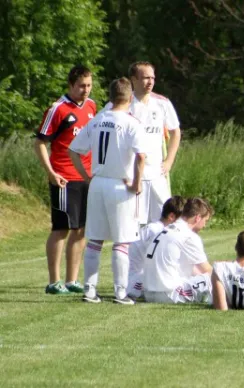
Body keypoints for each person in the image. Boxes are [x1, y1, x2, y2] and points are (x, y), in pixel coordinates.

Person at [68, 77, 147, 305]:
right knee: (122, 241)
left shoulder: (98, 119)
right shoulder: (131, 123)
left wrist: (86, 177)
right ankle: (121, 292)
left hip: (98, 183)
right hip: (119, 185)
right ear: (130, 97)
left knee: (95, 239)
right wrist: (137, 183)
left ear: (110, 98)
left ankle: (90, 290)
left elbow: (74, 150)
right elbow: (141, 156)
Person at [34, 65, 96, 295]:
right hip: (63, 178)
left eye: (89, 85)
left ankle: (72, 280)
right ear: (70, 85)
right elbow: (40, 142)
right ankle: (54, 281)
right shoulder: (57, 109)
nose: (86, 90)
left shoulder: (91, 107)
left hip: (85, 177)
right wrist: (51, 172)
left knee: (80, 229)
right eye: (81, 85)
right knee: (61, 228)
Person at [105, 61, 181, 225]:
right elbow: (103, 126)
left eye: (152, 77)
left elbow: (175, 132)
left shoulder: (162, 103)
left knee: (164, 221)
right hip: (130, 174)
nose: (150, 82)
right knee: (133, 224)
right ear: (134, 79)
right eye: (145, 77)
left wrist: (169, 161)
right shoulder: (121, 103)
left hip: (156, 174)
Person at [143, 197, 214, 304]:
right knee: (213, 278)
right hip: (169, 294)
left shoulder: (164, 230)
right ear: (198, 218)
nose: (204, 225)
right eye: (205, 221)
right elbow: (207, 270)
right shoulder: (189, 236)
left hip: (148, 294)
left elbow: (193, 268)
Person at [127, 195, 185, 299]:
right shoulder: (158, 231)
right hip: (135, 283)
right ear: (171, 216)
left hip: (133, 278)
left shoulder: (154, 227)